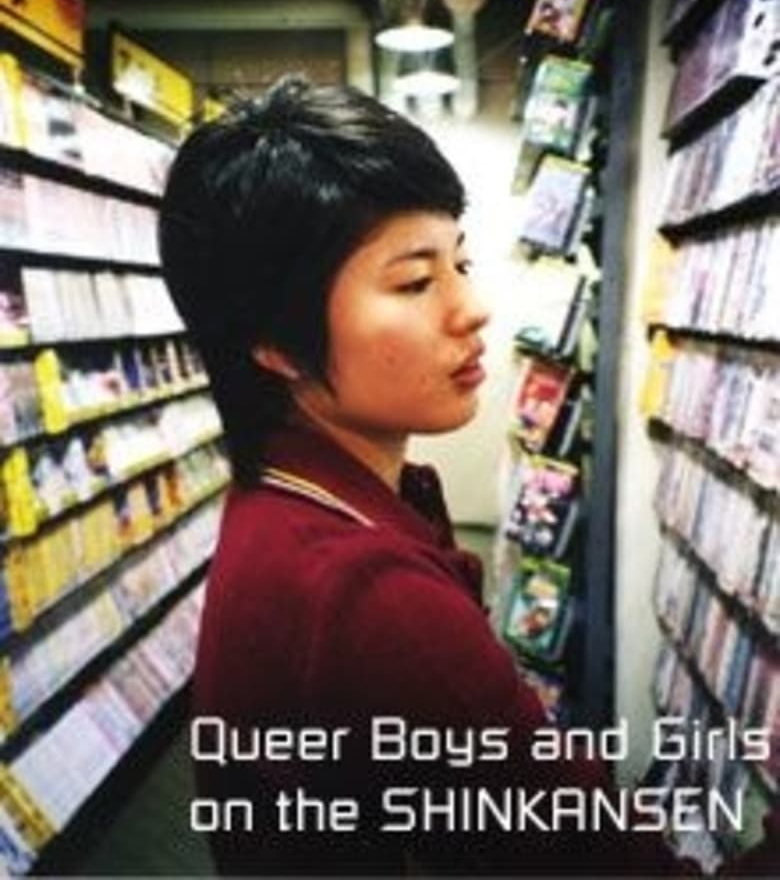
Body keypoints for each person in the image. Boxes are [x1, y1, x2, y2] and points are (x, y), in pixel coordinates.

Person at [159, 76, 777, 877]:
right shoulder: (367, 595)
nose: (471, 306)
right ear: (274, 343)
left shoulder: (286, 507)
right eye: (415, 281)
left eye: (460, 261)